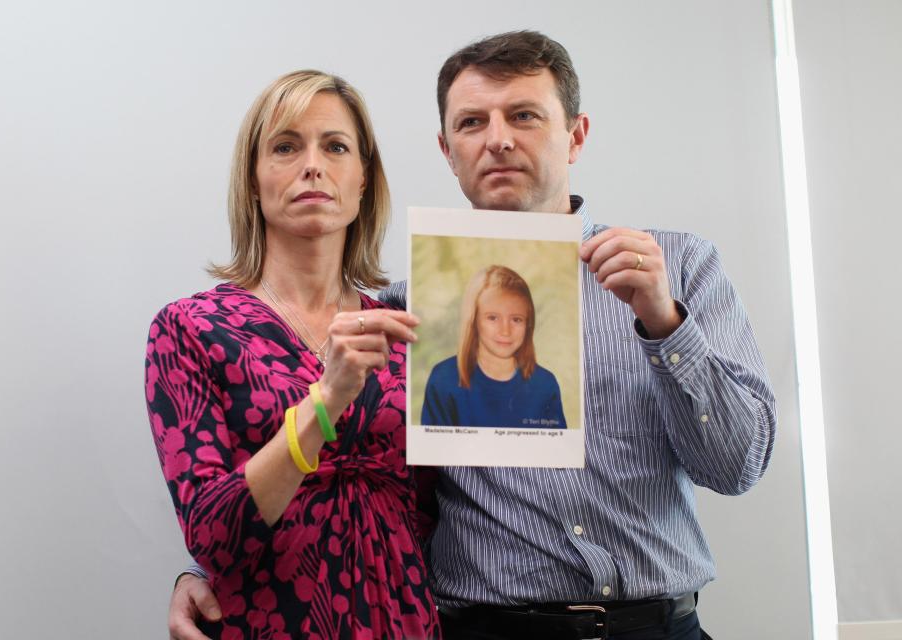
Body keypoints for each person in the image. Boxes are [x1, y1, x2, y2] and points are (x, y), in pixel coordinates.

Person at [169, 31, 774, 640]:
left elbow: (738, 466)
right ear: (447, 150)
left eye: (524, 115)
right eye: (472, 123)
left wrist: (664, 324)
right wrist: (204, 569)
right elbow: (362, 470)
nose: (499, 139)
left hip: (658, 626)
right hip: (482, 628)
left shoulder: (678, 267)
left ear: (577, 135)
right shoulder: (407, 312)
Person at [147, 69, 440, 639]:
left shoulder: (408, 327)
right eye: (286, 146)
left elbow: (445, 508)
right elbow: (212, 534)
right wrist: (323, 404)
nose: (313, 165)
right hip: (268, 623)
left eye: (335, 147)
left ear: (362, 181)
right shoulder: (191, 329)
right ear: (253, 180)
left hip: (404, 621)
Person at [421, 264, 566, 429]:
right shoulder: (443, 379)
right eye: (492, 318)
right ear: (473, 320)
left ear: (528, 323)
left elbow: (558, 451)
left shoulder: (545, 384)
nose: (505, 331)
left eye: (516, 319)